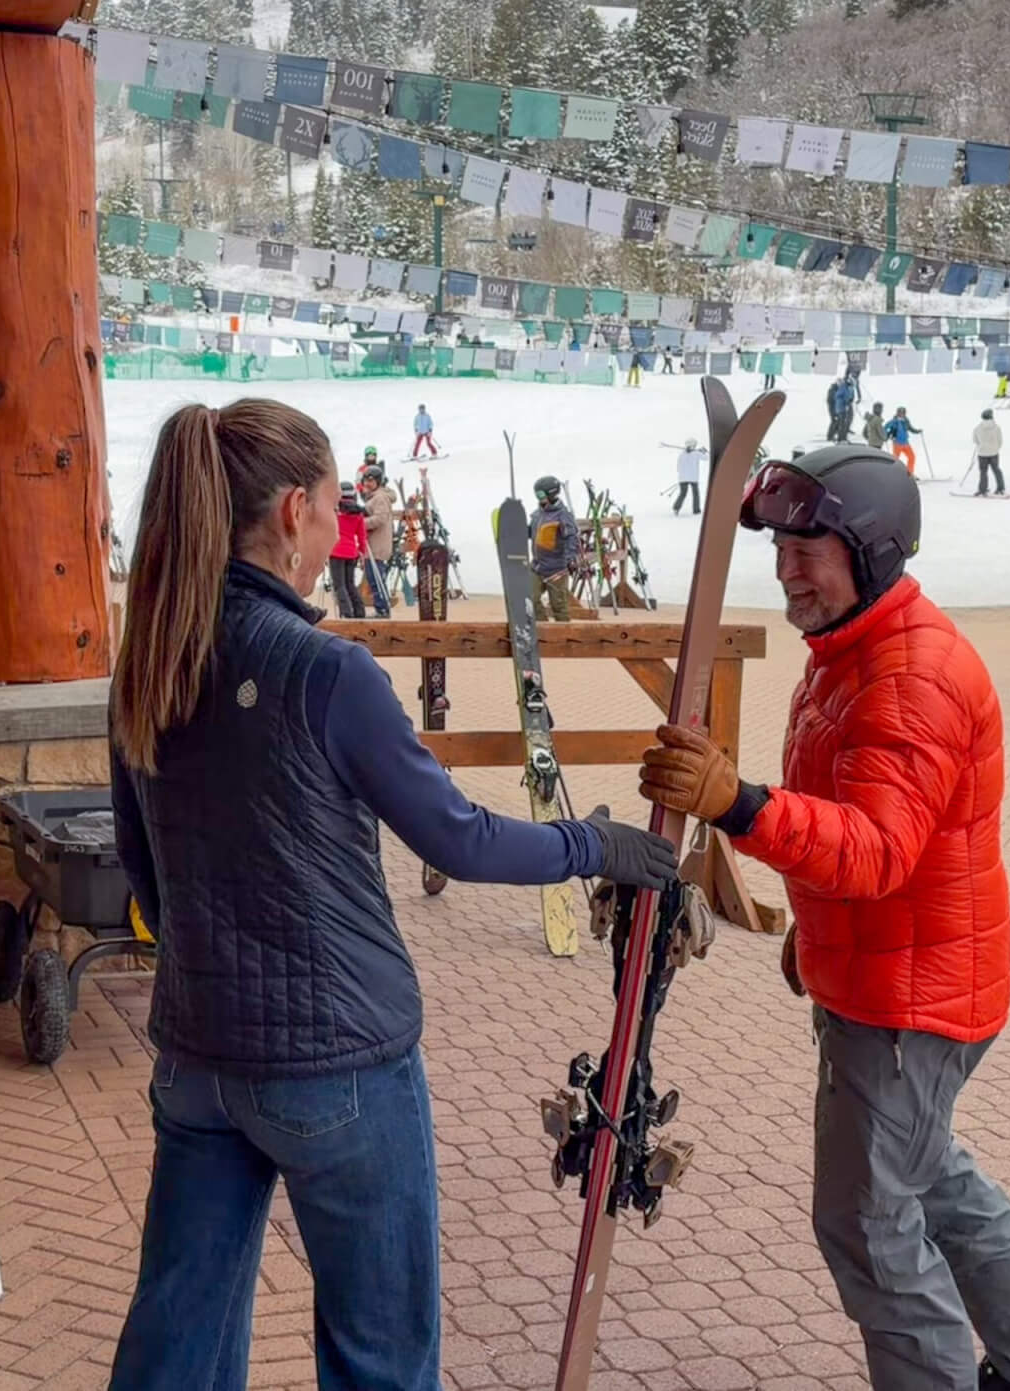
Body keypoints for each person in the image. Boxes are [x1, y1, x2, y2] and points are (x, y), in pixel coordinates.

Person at [104, 400, 677, 1391]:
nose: (337, 532)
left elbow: (144, 872)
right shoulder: (328, 671)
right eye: (333, 508)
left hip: (197, 1058)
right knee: (379, 1355)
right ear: (292, 510)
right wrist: (593, 843)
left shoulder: (152, 658)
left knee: (177, 1343)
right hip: (341, 1064)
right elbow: (455, 833)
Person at [636, 447, 1010, 1391]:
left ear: (874, 551)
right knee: (934, 1185)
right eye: (782, 545)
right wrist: (813, 935)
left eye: (811, 548)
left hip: (908, 1001)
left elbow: (876, 847)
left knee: (869, 1225)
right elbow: (866, 828)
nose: (787, 567)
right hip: (895, 973)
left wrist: (740, 804)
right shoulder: (855, 649)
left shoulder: (910, 674)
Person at [530, 475, 579, 622]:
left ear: (551, 493)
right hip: (538, 567)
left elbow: (571, 537)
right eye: (536, 494)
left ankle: (564, 637)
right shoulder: (537, 514)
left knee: (558, 606)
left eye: (541, 494)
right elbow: (530, 532)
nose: (538, 498)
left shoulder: (563, 515)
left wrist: (571, 558)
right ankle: (541, 629)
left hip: (557, 569)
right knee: (529, 598)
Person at [355, 460, 395, 618]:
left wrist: (361, 524)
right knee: (372, 578)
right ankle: (381, 607)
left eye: (371, 480)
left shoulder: (380, 498)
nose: (368, 483)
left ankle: (382, 608)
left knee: (376, 578)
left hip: (377, 545)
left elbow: (380, 518)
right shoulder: (372, 497)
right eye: (366, 480)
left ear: (378, 481)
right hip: (372, 545)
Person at [329, 486, 369, 619]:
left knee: (339, 585)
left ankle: (346, 613)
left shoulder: (335, 513)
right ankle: (359, 612)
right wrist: (362, 553)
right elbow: (362, 537)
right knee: (350, 584)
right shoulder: (358, 514)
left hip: (336, 551)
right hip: (352, 552)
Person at [973, 409, 1006, 497]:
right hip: (994, 453)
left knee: (983, 471)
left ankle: (982, 489)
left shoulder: (977, 428)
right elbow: (1000, 441)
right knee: (996, 470)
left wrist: (981, 447)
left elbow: (975, 440)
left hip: (982, 453)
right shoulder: (997, 428)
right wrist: (995, 448)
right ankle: (1001, 488)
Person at [673, 438, 708, 516]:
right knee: (695, 494)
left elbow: (678, 467)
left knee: (683, 493)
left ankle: (676, 508)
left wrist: (682, 475)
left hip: (682, 478)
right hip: (693, 478)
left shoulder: (681, 455)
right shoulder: (697, 454)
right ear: (693, 445)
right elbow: (706, 458)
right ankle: (696, 510)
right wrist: (704, 451)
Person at [885, 407, 922, 475]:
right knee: (895, 460)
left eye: (903, 412)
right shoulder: (894, 421)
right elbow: (886, 427)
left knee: (912, 457)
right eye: (900, 412)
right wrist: (886, 435)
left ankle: (909, 473)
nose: (901, 414)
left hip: (905, 443)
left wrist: (917, 431)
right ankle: (893, 474)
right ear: (897, 413)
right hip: (897, 443)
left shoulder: (906, 421)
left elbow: (911, 429)